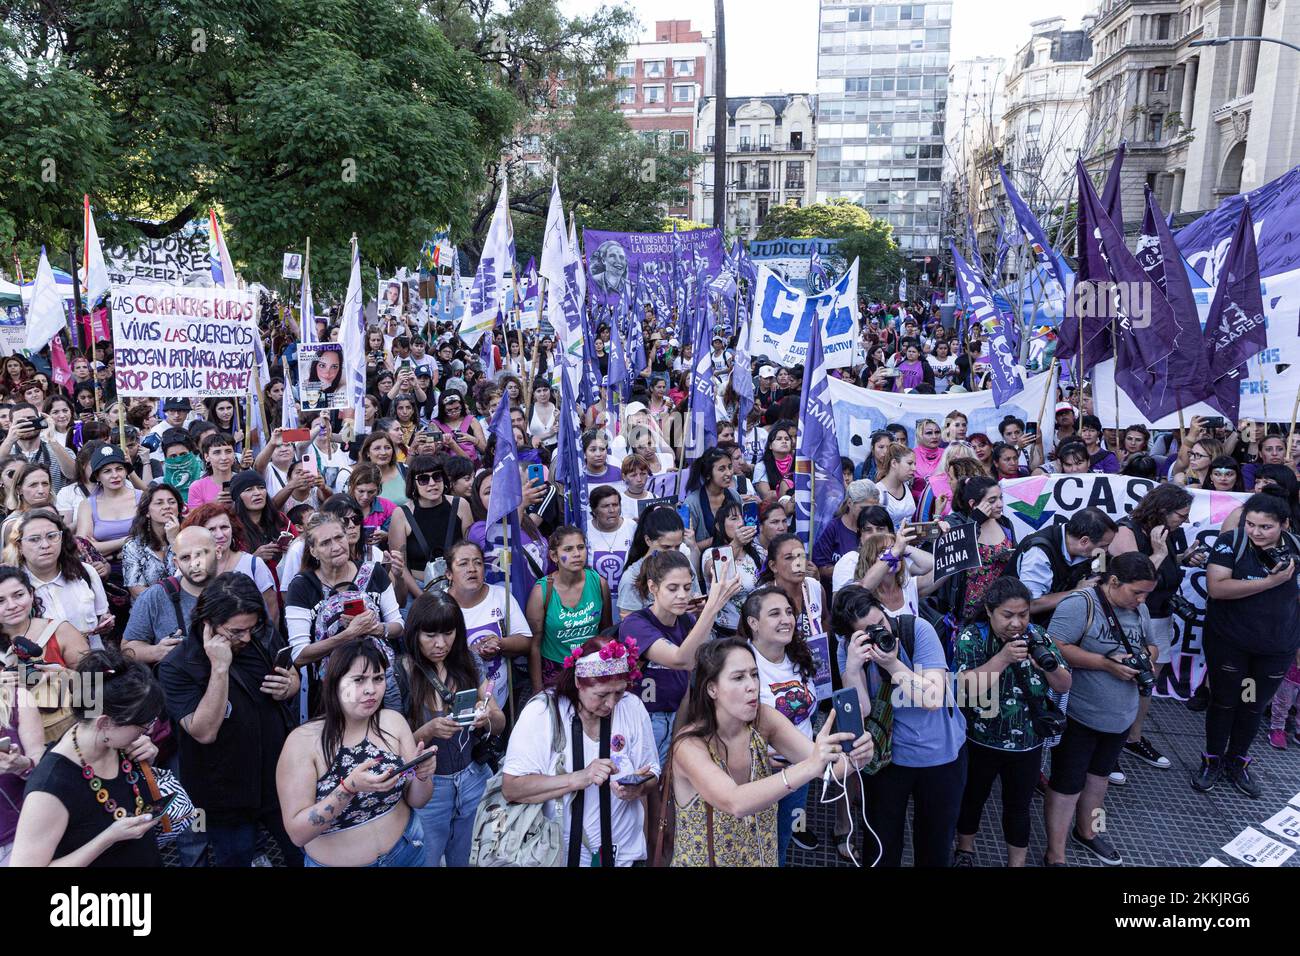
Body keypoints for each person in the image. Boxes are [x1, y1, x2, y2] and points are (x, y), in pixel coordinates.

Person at [668, 638, 871, 867]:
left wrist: (858, 756)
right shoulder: (689, 745)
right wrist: (808, 766)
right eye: (738, 677)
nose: (752, 685)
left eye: (754, 674)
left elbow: (830, 769)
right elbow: (735, 802)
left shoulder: (763, 719)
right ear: (711, 688)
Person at [501, 632, 657, 866]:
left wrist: (639, 787)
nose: (612, 703)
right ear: (578, 682)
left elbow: (652, 772)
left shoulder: (632, 707)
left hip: (625, 853)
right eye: (602, 695)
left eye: (619, 692)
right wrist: (579, 778)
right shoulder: (542, 712)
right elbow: (512, 788)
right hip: (559, 856)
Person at [1042, 552, 1158, 866]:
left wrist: (1145, 657)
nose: (1142, 599)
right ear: (1114, 581)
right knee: (1067, 784)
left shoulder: (1140, 608)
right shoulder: (1080, 604)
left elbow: (1152, 644)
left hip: (1120, 715)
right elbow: (1054, 648)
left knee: (1099, 778)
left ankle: (1089, 833)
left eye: (1147, 593)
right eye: (1137, 592)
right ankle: (1056, 854)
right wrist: (1106, 664)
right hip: (1080, 713)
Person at [837, 589, 967, 867]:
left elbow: (932, 697)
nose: (879, 634)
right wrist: (853, 668)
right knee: (881, 846)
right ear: (851, 638)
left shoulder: (916, 630)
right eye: (866, 633)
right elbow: (861, 713)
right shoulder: (848, 653)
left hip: (940, 757)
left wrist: (892, 663)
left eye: (880, 624)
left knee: (935, 846)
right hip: (887, 760)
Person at [276, 638, 434, 867]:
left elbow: (418, 800)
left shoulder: (393, 722)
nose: (371, 689)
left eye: (378, 679)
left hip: (407, 851)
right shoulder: (302, 742)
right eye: (358, 680)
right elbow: (298, 834)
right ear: (334, 683)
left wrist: (422, 776)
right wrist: (348, 788)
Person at [952, 578, 1071, 867]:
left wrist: (1047, 666)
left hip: (1027, 742)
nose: (1017, 623)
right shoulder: (973, 636)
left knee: (1019, 807)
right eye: (1008, 615)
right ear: (990, 611)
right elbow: (967, 687)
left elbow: (1064, 684)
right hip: (980, 738)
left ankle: (1016, 864)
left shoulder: (1039, 636)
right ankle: (964, 851)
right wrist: (1003, 658)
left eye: (1023, 614)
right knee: (973, 798)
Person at [10, 649, 165, 866]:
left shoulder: (119, 745)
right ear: (104, 723)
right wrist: (108, 838)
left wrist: (148, 762)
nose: (149, 730)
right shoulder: (51, 786)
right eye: (143, 724)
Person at [1194, 493, 1300, 797]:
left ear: (1284, 524)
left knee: (1252, 705)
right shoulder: (1232, 541)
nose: (1256, 532)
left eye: (1265, 527)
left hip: (1274, 648)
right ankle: (1212, 759)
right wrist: (1269, 582)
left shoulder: (1295, 546)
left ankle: (1237, 760)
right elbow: (1217, 588)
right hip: (1230, 643)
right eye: (1251, 524)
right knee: (1224, 701)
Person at [387, 592, 503, 866]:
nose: (440, 644)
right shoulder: (398, 674)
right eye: (430, 635)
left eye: (448, 633)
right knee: (425, 858)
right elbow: (391, 749)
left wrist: (485, 718)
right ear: (414, 633)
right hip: (428, 786)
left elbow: (499, 723)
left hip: (474, 777)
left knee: (470, 857)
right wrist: (427, 731)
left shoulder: (470, 663)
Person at [1108, 484, 1200, 776]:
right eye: (1181, 516)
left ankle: (1132, 738)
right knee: (1120, 682)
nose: (1183, 522)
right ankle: (1106, 747)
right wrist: (1160, 552)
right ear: (1162, 510)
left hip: (1161, 615)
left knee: (1146, 682)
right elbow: (1133, 577)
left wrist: (1183, 558)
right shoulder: (1126, 530)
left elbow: (1163, 570)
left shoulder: (1167, 532)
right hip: (1130, 617)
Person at [619, 550, 740, 763]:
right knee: (645, 787)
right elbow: (680, 659)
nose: (683, 595)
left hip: (676, 715)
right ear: (652, 587)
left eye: (687, 587)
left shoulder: (686, 622)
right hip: (643, 719)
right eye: (672, 588)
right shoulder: (635, 624)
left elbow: (687, 678)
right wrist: (713, 606)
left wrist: (678, 735)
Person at [739, 586, 822, 863]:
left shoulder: (802, 656)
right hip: (756, 776)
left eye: (789, 612)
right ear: (753, 623)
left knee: (781, 841)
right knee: (752, 845)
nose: (786, 619)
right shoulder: (740, 664)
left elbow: (811, 711)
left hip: (799, 773)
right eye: (774, 613)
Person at [443, 540, 530, 713]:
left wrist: (500, 644)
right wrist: (470, 653)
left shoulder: (500, 596)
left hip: (500, 701)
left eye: (478, 563)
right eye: (463, 564)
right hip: (456, 704)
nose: (472, 569)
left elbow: (526, 642)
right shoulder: (439, 605)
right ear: (449, 574)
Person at [527, 527, 609, 692]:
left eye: (581, 547)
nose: (577, 554)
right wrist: (537, 690)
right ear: (554, 556)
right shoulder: (542, 591)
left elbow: (606, 632)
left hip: (592, 667)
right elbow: (533, 645)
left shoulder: (599, 583)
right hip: (554, 670)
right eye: (568, 549)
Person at [14, 509, 113, 643]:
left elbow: (102, 613)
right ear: (20, 546)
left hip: (91, 658)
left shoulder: (85, 572)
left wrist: (104, 623)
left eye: (52, 536)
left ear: (62, 538)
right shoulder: (12, 585)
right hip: (40, 662)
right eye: (34, 539)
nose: (45, 545)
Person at [1010, 507, 1117, 626]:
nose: (1106, 550)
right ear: (1084, 541)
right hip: (1027, 625)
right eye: (1103, 546)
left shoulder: (1093, 551)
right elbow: (1031, 604)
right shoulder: (1039, 552)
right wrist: (1076, 591)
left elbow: (1099, 574)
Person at [387, 456, 472, 604]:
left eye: (437, 477)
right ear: (413, 483)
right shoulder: (401, 514)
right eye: (424, 479)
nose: (432, 484)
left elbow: (470, 550)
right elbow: (401, 566)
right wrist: (422, 597)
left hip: (459, 584)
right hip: (419, 587)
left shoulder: (461, 505)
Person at [181, 502, 279, 624]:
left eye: (224, 527)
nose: (220, 535)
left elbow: (272, 611)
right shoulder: (188, 567)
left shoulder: (253, 564)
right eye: (211, 529)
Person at [0, 565, 89, 670]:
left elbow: (96, 681)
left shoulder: (60, 631)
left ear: (31, 594)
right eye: (0, 601)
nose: (12, 606)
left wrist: (63, 676)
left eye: (19, 595)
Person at [617, 504, 701, 617]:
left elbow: (697, 600)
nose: (673, 553)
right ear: (648, 540)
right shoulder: (631, 578)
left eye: (678, 546)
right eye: (666, 547)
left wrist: (699, 608)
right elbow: (629, 626)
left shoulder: (685, 564)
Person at [74, 444, 141, 572]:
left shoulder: (142, 498)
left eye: (119, 469)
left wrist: (102, 546)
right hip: (105, 569)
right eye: (107, 471)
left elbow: (150, 537)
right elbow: (84, 546)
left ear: (126, 471)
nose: (115, 475)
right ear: (97, 476)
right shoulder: (87, 505)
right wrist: (127, 540)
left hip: (142, 565)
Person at [699, 499, 762, 636]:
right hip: (724, 633)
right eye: (734, 518)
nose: (741, 523)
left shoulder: (758, 552)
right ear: (718, 526)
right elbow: (716, 570)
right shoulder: (711, 553)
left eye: (742, 518)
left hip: (756, 631)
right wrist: (736, 544)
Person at [121, 484, 183, 597]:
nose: (167, 506)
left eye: (172, 502)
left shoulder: (190, 539)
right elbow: (136, 591)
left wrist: (174, 541)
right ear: (147, 512)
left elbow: (190, 577)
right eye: (159, 503)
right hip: (149, 609)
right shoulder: (133, 546)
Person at [683, 447, 740, 551]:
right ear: (708, 474)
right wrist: (717, 540)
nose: (729, 473)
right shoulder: (692, 503)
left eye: (730, 467)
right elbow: (685, 548)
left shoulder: (734, 495)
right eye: (722, 469)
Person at [586, 484, 636, 600]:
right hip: (594, 599)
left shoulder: (632, 527)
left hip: (628, 598)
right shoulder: (584, 529)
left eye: (615, 505)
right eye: (605, 506)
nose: (612, 510)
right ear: (594, 510)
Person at [185, 431, 238, 509]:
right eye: (217, 453)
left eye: (228, 451)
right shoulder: (198, 487)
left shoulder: (244, 481)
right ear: (207, 457)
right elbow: (195, 519)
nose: (224, 457)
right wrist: (214, 505)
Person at [876, 442, 918, 530]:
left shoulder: (907, 485)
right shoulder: (878, 492)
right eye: (909, 463)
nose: (914, 468)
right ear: (894, 463)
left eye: (915, 464)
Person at [754, 422, 796, 500]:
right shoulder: (761, 466)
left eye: (787, 439)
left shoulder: (798, 461)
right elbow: (766, 496)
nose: (784, 441)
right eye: (779, 439)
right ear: (770, 445)